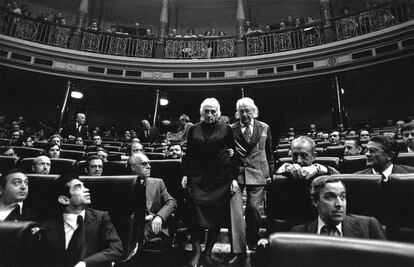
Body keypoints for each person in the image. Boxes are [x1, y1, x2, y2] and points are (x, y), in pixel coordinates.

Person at [182, 98, 235, 266]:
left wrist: (233, 178)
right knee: (194, 212)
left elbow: (232, 154)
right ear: (201, 113)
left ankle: (207, 252)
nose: (210, 114)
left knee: (216, 216)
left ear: (218, 113)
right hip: (197, 177)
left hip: (220, 179)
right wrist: (185, 174)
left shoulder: (226, 128)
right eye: (206, 111)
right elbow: (188, 154)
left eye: (213, 111)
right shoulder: (193, 129)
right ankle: (197, 252)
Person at [42, 174, 124, 267]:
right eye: (78, 187)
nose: (86, 189)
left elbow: (116, 249)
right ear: (64, 200)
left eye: (84, 186)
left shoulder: (100, 218)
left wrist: (85, 263)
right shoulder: (48, 225)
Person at [230, 97, 274, 253]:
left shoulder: (264, 127)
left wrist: (270, 173)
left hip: (259, 173)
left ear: (254, 111)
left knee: (253, 208)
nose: (244, 114)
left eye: (247, 110)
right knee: (234, 211)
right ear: (237, 113)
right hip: (237, 174)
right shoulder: (231, 129)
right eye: (241, 111)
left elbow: (269, 153)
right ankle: (237, 249)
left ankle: (252, 239)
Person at [292, 176, 386, 240]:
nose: (339, 204)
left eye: (342, 197)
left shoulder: (368, 226)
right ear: (315, 201)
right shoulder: (299, 233)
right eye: (330, 197)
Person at [127, 154, 177, 243]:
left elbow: (171, 202)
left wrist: (159, 217)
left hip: (152, 224)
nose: (149, 166)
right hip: (131, 225)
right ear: (133, 167)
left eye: (149, 163)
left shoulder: (158, 182)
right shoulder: (122, 184)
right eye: (144, 164)